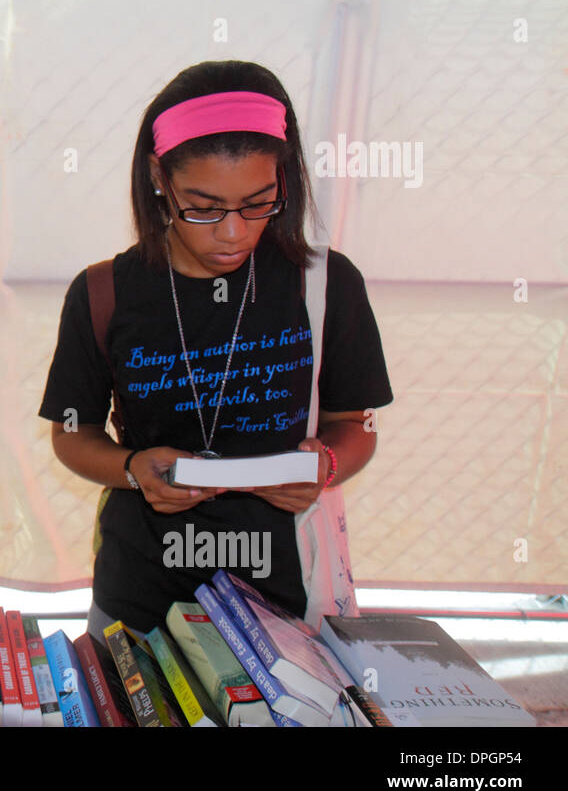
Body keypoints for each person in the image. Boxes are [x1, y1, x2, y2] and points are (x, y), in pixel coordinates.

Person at [38, 59, 393, 640]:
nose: (233, 232)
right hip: (141, 593)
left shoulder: (325, 285)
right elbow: (71, 434)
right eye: (203, 207)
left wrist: (326, 466)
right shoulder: (104, 292)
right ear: (159, 177)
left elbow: (355, 422)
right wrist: (132, 469)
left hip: (285, 592)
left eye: (258, 202)